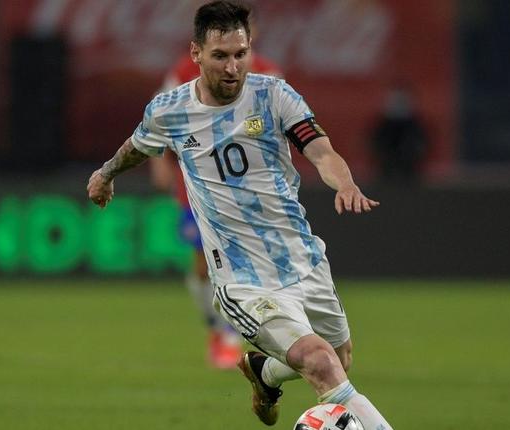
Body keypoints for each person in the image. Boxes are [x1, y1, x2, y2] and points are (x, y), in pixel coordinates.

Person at [87, 2, 393, 429]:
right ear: (196, 53)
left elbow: (319, 148)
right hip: (244, 279)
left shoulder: (274, 94)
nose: (233, 67)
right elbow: (137, 146)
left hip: (303, 260)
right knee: (322, 363)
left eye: (239, 54)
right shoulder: (170, 110)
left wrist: (343, 182)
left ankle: (264, 374)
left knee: (340, 357)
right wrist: (105, 174)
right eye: (220, 56)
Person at [150, 39, 283, 370]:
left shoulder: (267, 72)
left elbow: (285, 123)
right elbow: (161, 115)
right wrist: (159, 161)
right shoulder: (184, 70)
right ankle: (220, 330)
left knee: (257, 262)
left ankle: (259, 332)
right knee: (202, 263)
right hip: (199, 182)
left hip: (250, 186)